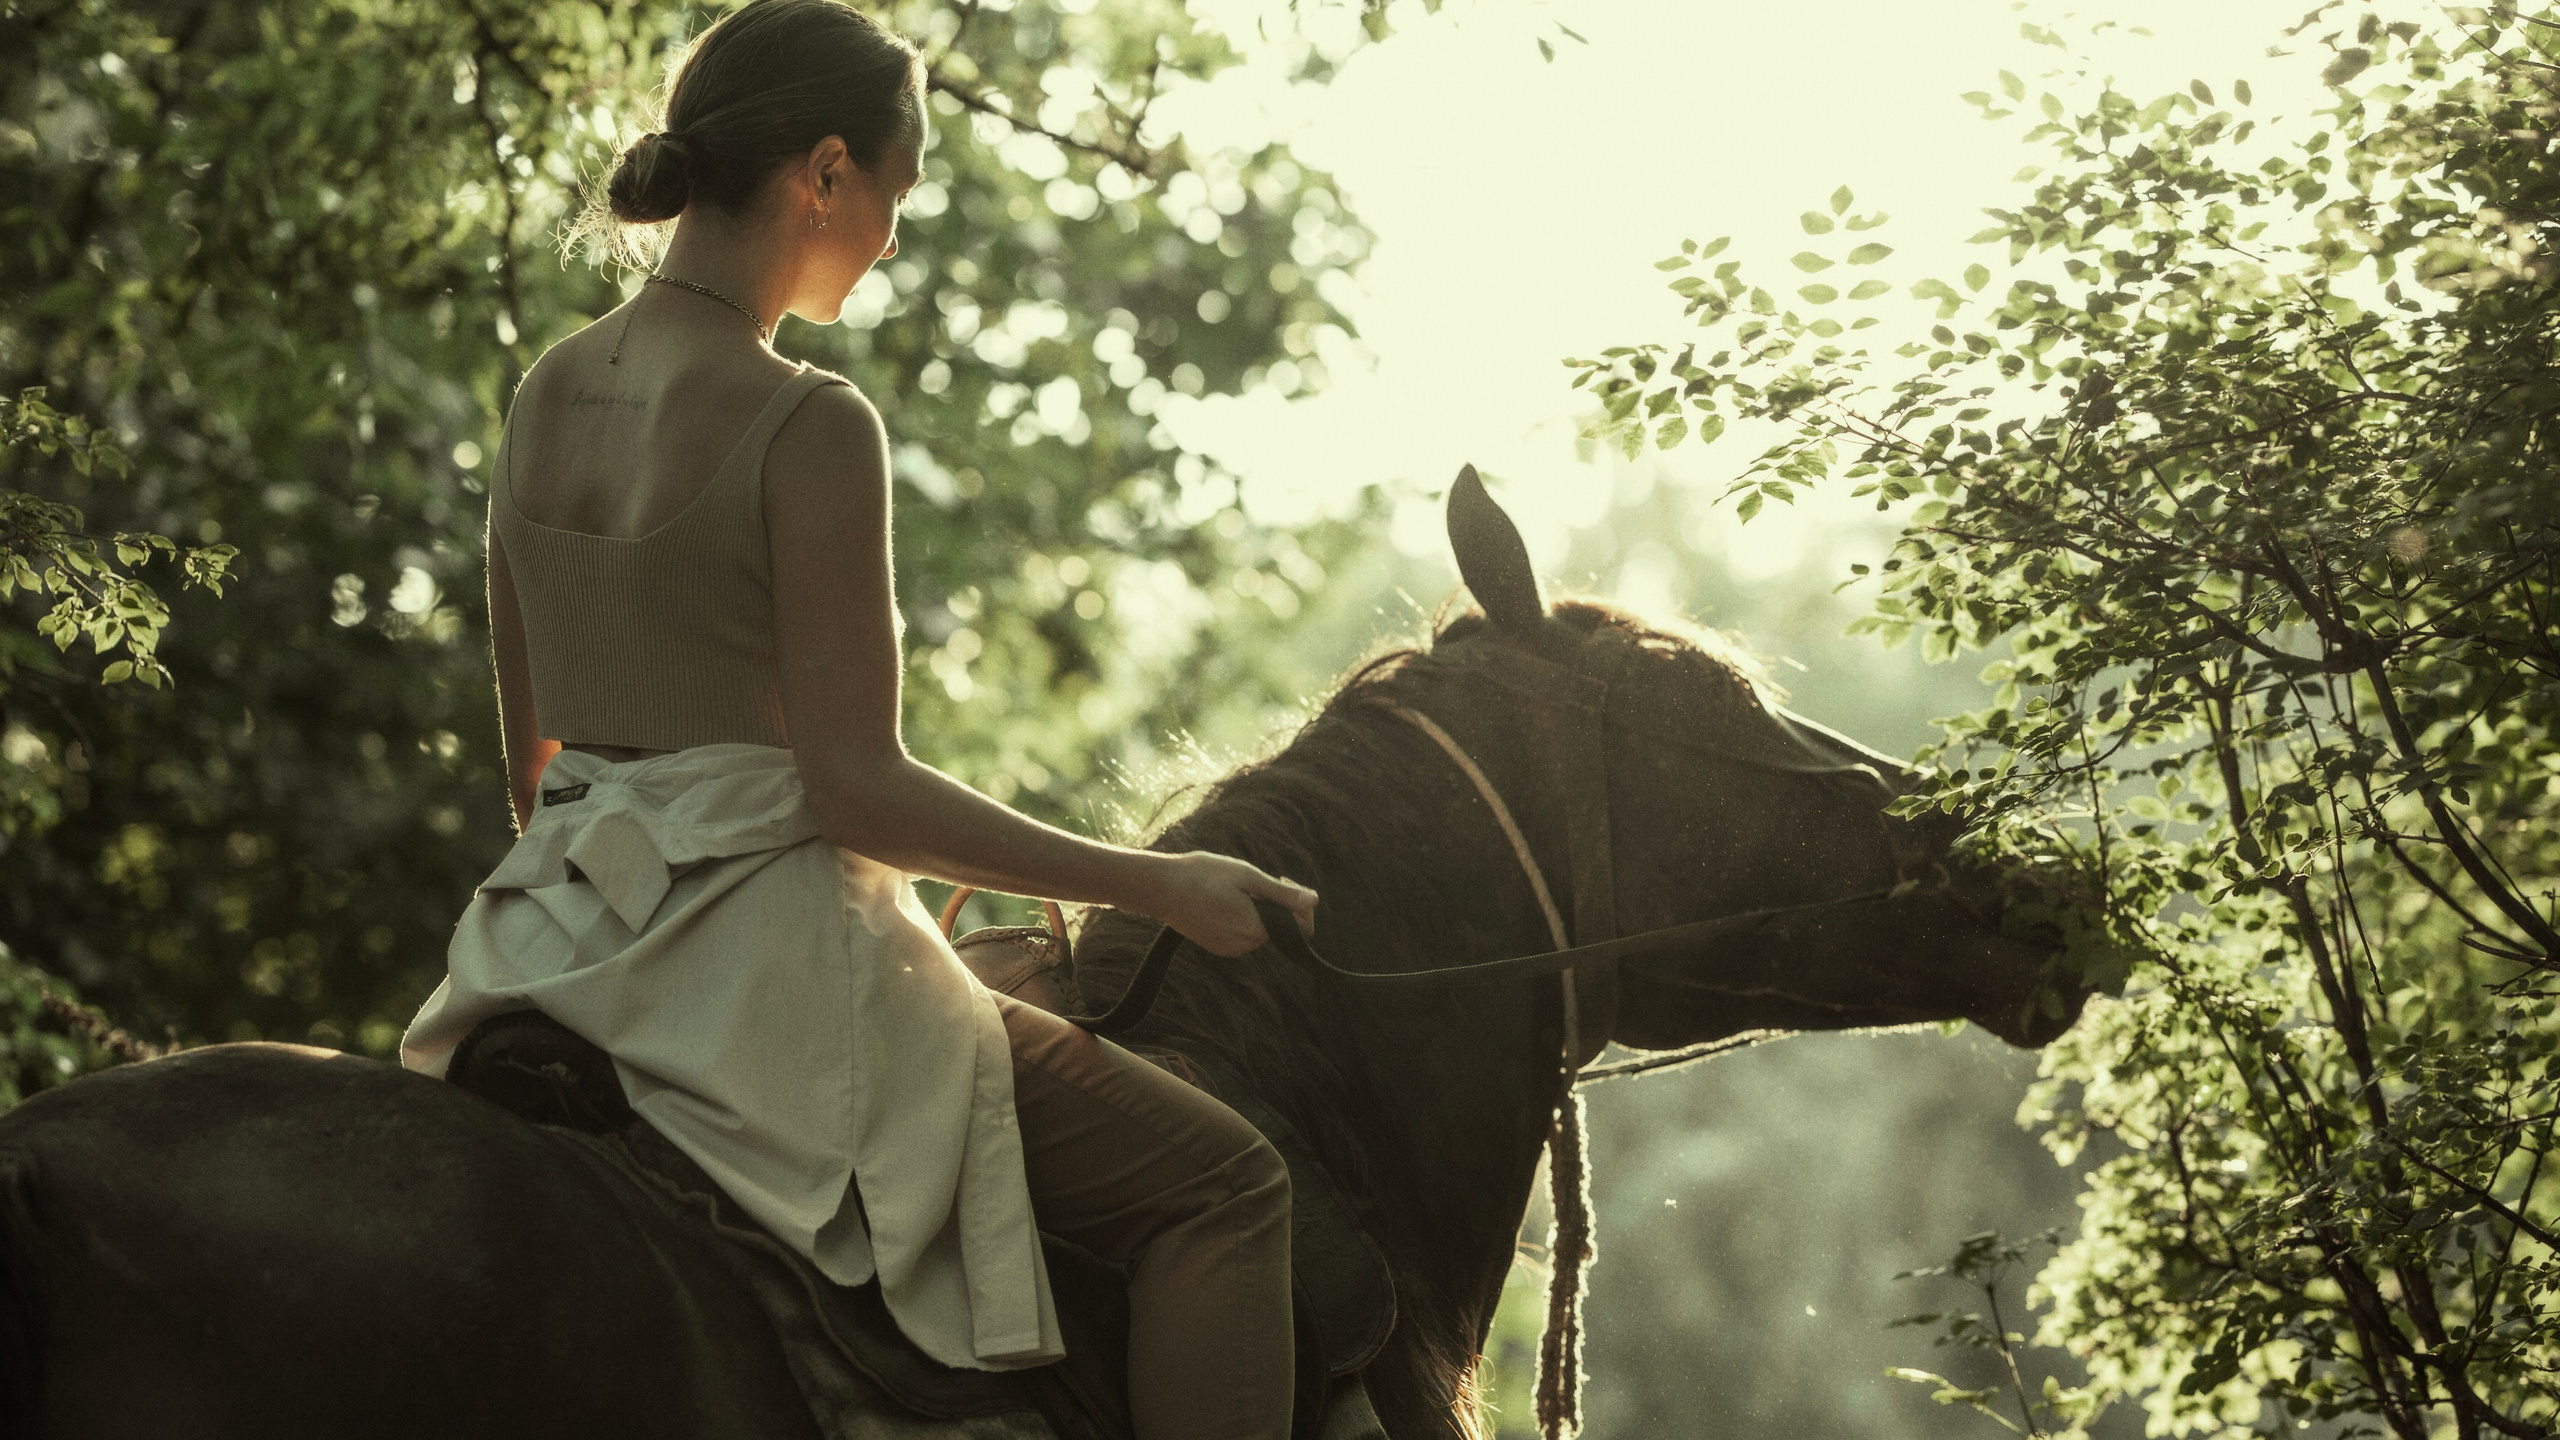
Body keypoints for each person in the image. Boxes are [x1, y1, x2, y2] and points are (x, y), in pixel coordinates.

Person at [394, 2, 1314, 1435]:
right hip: (759, 971)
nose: (899, 227)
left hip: (540, 946)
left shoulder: (542, 395)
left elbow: (542, 780)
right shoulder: (808, 422)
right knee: (1226, 1189)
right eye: (905, 182)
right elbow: (858, 793)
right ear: (827, 172)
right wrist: (1165, 885)